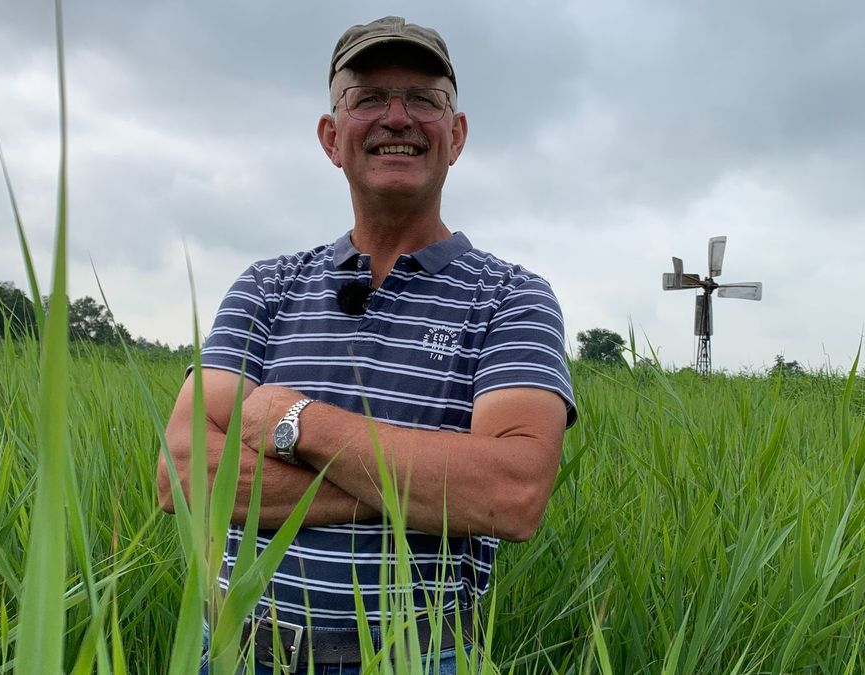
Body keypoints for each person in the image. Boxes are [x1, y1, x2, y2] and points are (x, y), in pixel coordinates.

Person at [158, 16, 577, 673]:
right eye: (370, 98)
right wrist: (418, 486)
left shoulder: (511, 299)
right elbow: (182, 473)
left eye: (424, 99)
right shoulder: (267, 288)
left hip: (422, 657)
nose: (398, 117)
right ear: (332, 136)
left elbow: (512, 492)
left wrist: (292, 421)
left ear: (456, 135)